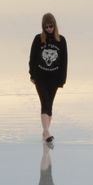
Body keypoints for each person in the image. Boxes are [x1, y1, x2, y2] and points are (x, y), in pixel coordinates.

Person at [29, 13, 67, 143]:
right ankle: (46, 132)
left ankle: (45, 132)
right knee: (44, 103)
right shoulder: (38, 39)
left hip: (54, 79)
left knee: (49, 105)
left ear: (54, 25)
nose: (49, 29)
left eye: (51, 26)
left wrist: (62, 80)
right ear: (43, 27)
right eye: (46, 27)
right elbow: (32, 58)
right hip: (40, 78)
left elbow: (64, 61)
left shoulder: (61, 40)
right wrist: (32, 75)